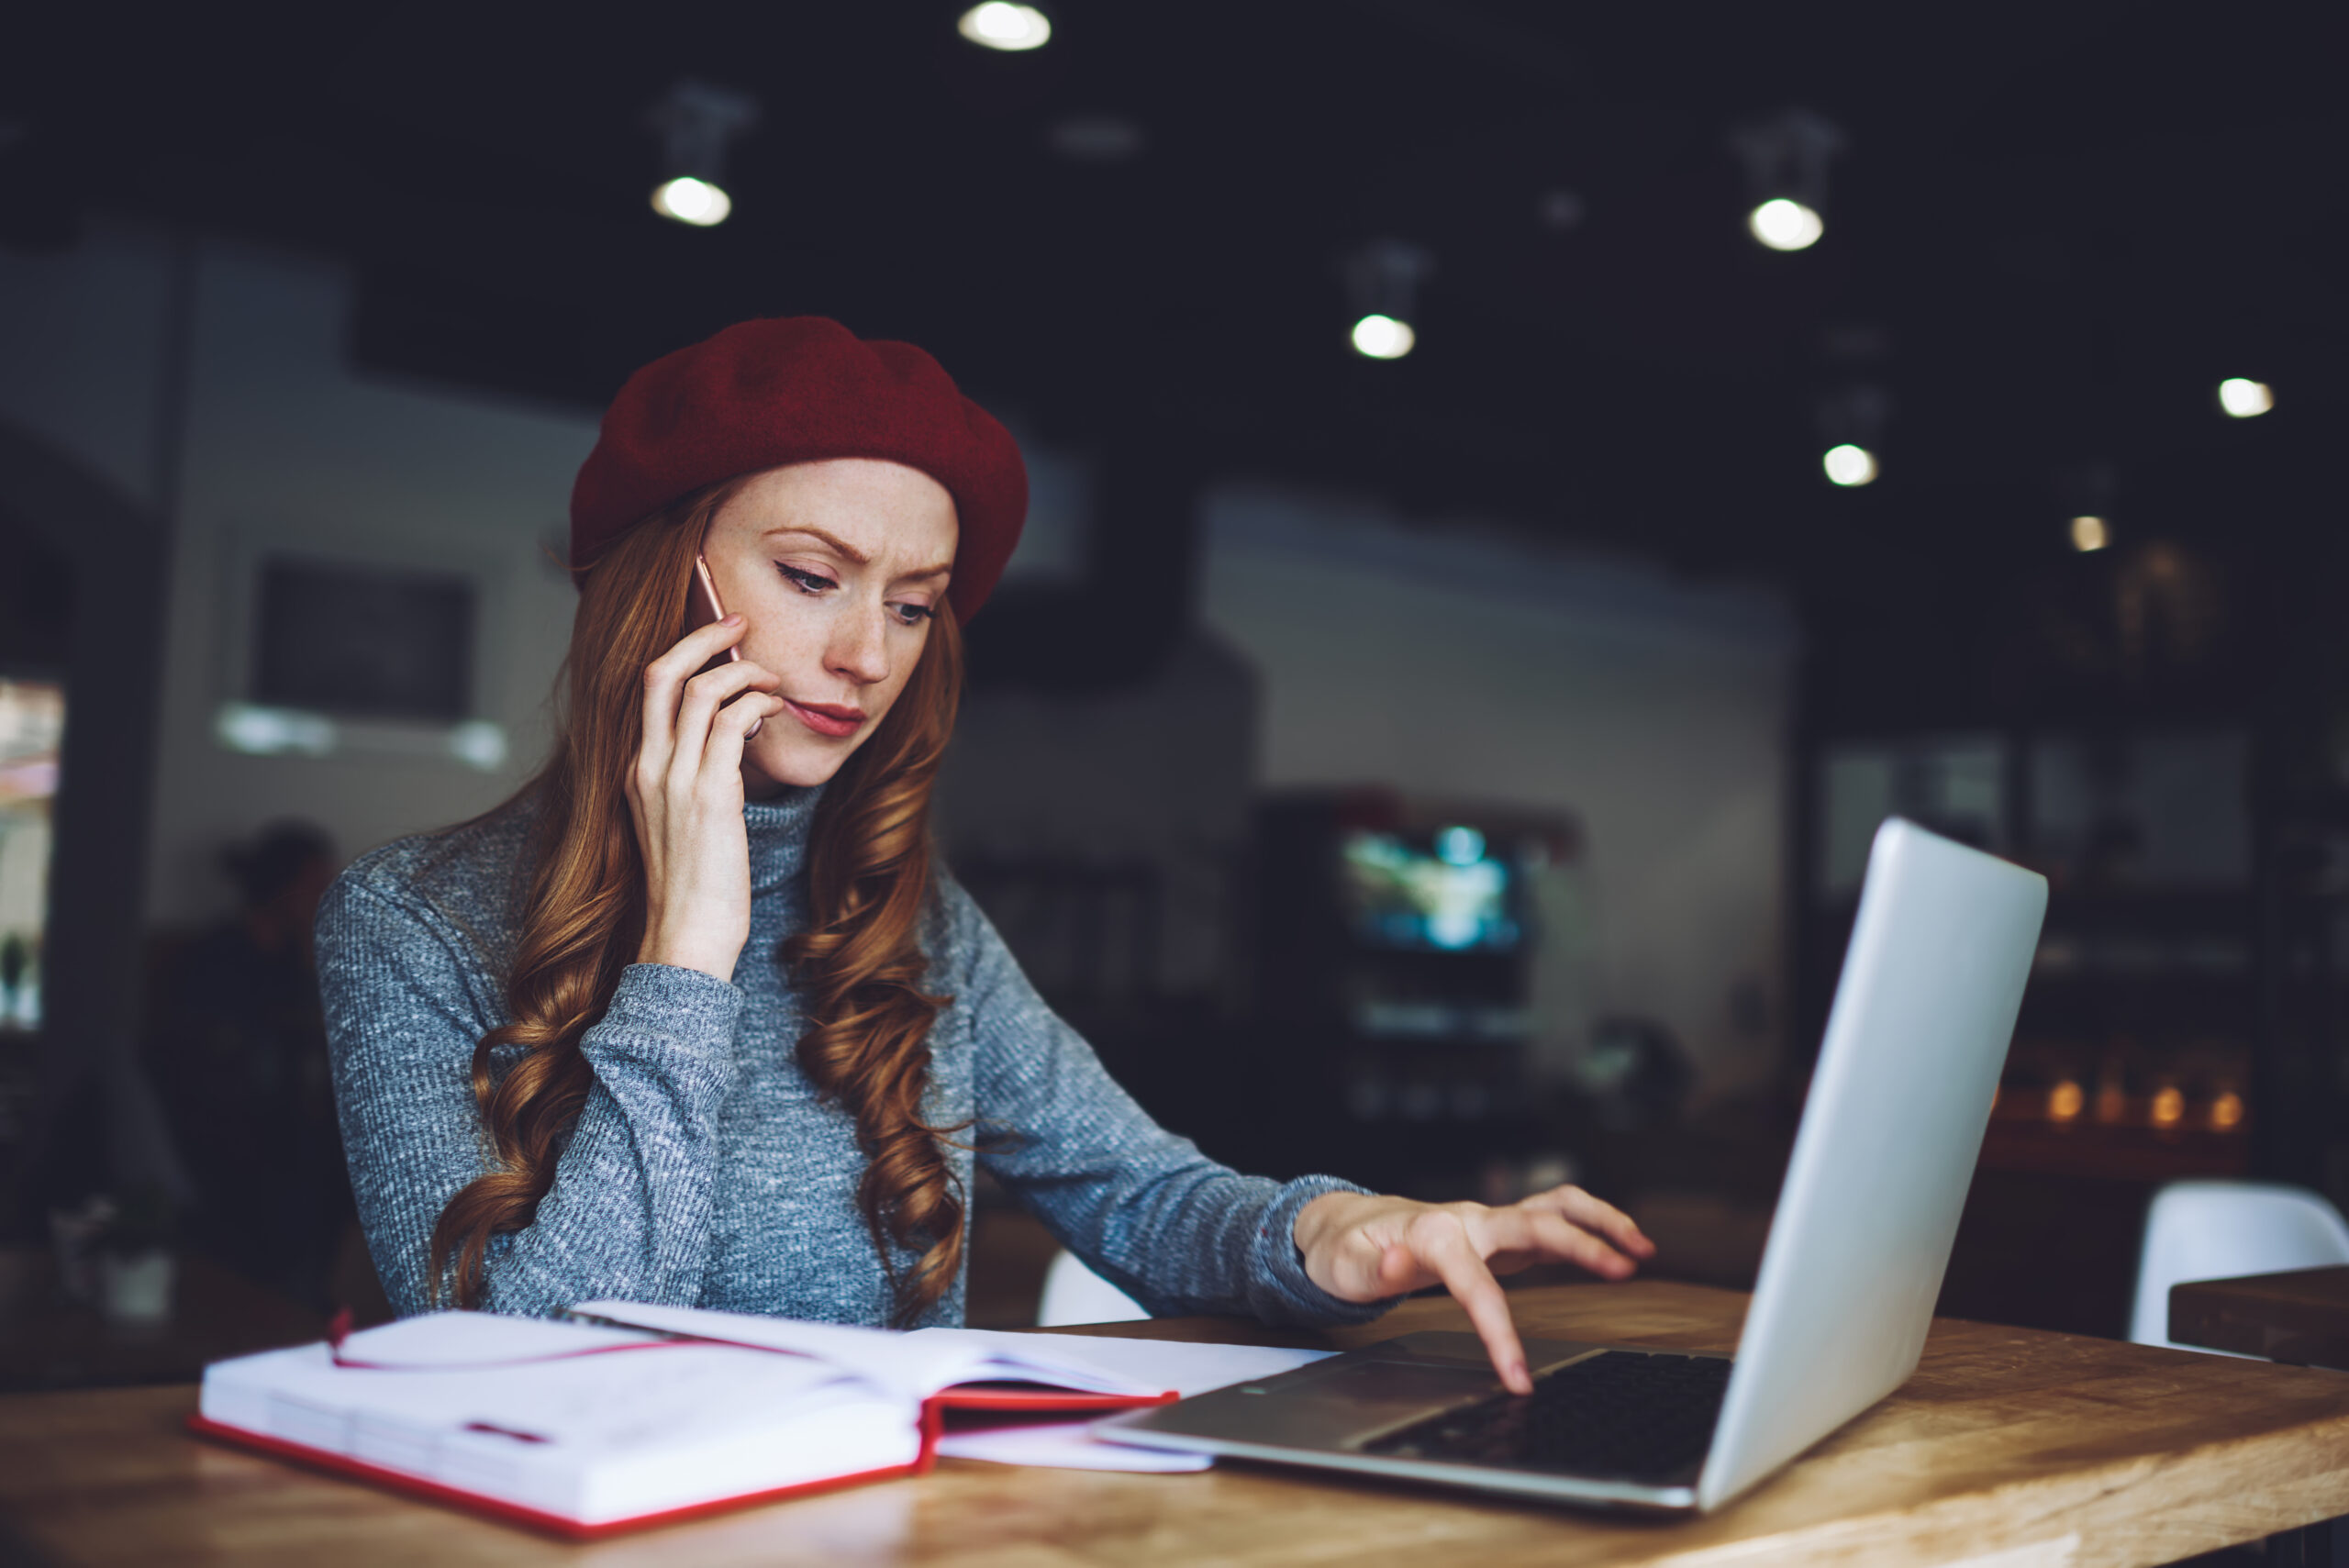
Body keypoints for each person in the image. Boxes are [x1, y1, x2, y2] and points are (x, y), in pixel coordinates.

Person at [317, 317, 1653, 1393]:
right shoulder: (407, 921)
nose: (867, 656)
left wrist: (1339, 1234)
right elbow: (527, 1364)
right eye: (809, 575)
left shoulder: (916, 921)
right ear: (657, 577)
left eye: (911, 605)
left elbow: (1140, 1191)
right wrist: (687, 957)